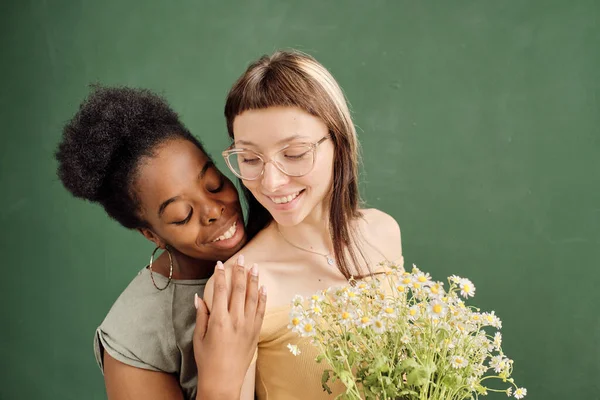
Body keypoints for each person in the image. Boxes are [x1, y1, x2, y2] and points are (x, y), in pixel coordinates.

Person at [205, 50, 403, 399]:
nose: (271, 182)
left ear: (338, 144)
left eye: (294, 154)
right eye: (250, 159)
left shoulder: (383, 234)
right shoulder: (242, 284)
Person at [55, 86, 266, 400]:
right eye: (182, 215)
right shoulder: (135, 338)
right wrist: (220, 379)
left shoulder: (278, 228)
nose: (212, 211)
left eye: (214, 183)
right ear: (151, 234)